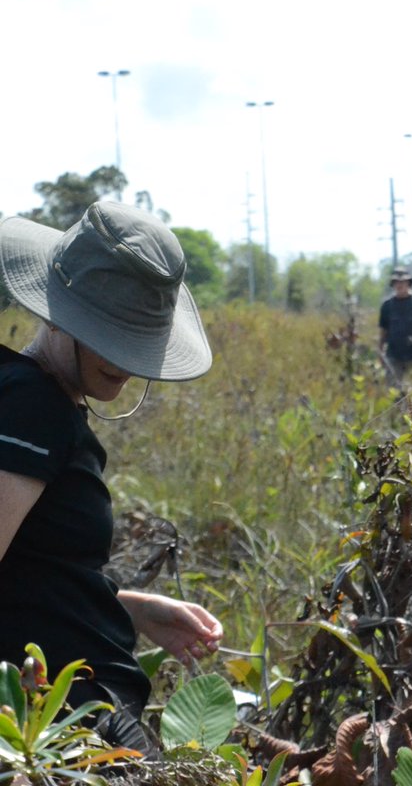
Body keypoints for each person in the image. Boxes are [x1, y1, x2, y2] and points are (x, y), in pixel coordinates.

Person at [0, 202, 223, 755]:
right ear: (55, 312)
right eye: (104, 333)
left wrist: (126, 605)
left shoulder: (29, 396)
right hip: (62, 725)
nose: (124, 362)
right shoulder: (32, 407)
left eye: (136, 340)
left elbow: (27, 575)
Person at [378, 267, 412, 388]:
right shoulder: (387, 306)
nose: (400, 285)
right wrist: (380, 351)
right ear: (393, 284)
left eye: (403, 282)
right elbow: (383, 331)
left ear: (408, 283)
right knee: (394, 390)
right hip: (393, 354)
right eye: (397, 282)